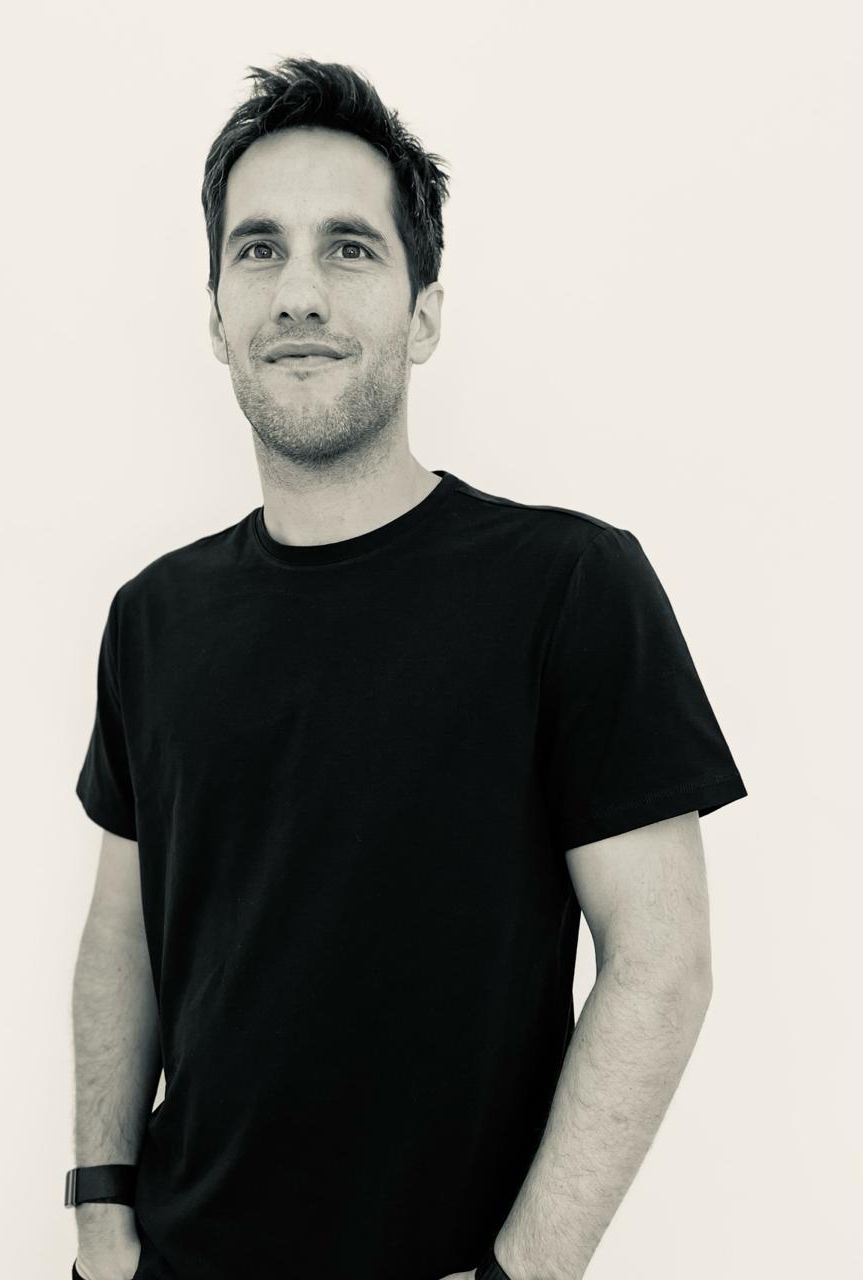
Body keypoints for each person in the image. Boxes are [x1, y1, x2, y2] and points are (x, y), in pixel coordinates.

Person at [67, 57, 748, 1280]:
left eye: (349, 249)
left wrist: (522, 1270)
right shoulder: (153, 616)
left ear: (423, 313)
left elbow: (662, 958)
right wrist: (99, 1215)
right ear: (216, 314)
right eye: (259, 250)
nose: (298, 293)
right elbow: (124, 931)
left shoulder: (568, 585)